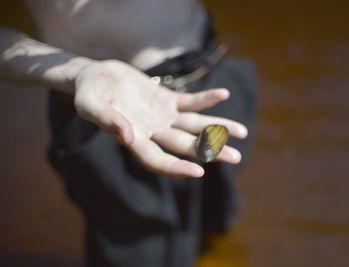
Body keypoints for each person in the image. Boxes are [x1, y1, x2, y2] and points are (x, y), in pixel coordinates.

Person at [0, 0, 256, 266]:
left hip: (209, 72)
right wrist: (76, 72)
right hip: (106, 103)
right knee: (135, 245)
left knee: (214, 218)